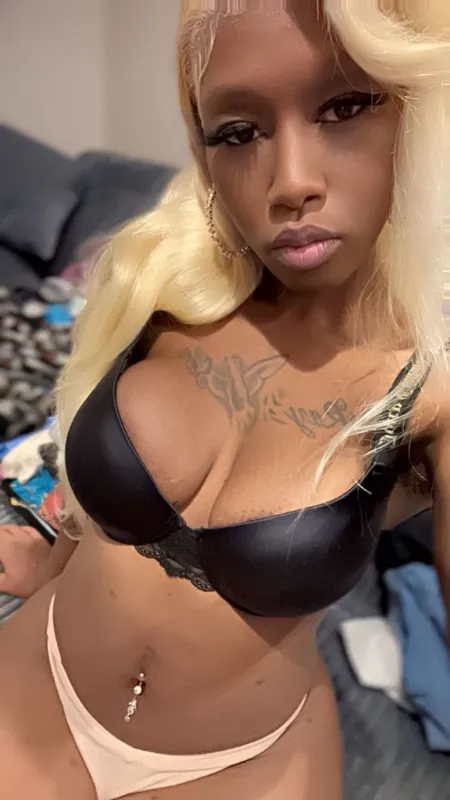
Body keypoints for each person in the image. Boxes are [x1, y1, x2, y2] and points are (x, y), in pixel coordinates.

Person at [0, 2, 449, 798]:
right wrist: (51, 559)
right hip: (34, 682)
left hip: (241, 767)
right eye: (238, 132)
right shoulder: (165, 286)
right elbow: (94, 501)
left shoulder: (431, 396)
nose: (292, 183)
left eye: (345, 107)